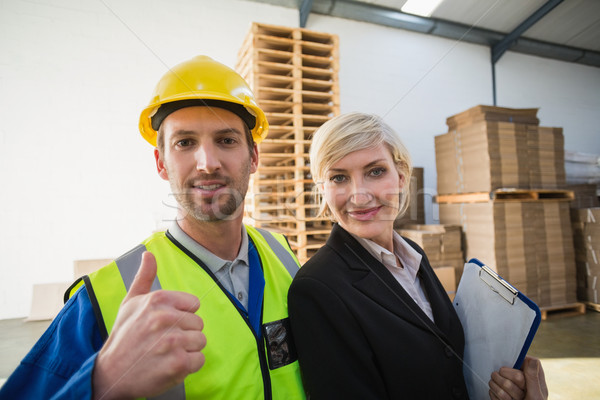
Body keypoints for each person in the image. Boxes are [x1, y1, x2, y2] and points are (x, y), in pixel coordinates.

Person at [0, 56, 305, 399]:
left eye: (227, 140)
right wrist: (102, 381)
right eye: (185, 143)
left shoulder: (285, 257)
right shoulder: (103, 298)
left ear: (254, 158)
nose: (207, 164)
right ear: (161, 163)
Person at [287, 112, 548, 400]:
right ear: (324, 190)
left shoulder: (413, 255)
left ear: (401, 177)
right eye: (339, 177)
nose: (359, 196)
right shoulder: (316, 289)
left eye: (375, 171)